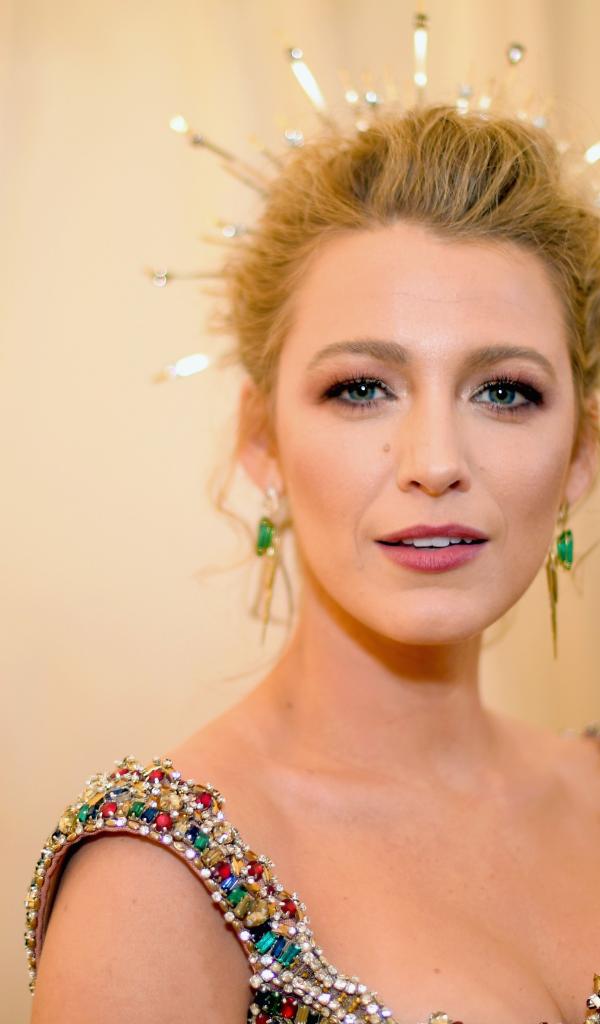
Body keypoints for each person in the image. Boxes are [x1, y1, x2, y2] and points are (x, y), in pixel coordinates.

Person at [26, 103, 600, 1024]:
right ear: (263, 440)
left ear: (579, 455)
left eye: (505, 391)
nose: (435, 461)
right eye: (361, 388)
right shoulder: (156, 886)